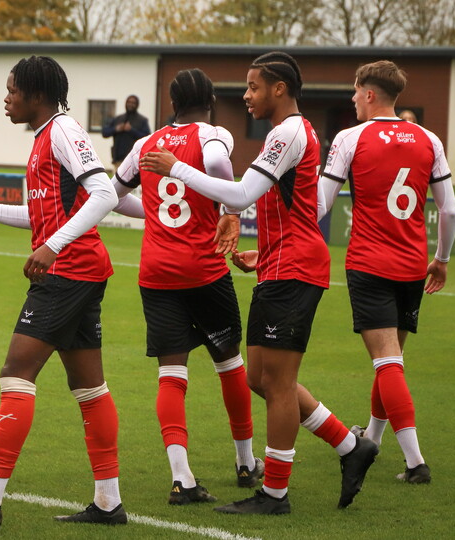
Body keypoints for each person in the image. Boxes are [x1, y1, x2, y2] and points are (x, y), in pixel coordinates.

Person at [141, 51, 379, 514]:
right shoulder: (284, 132)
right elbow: (279, 205)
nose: (246, 96)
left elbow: (242, 194)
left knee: (281, 383)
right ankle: (351, 446)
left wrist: (176, 168)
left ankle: (274, 494)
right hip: (278, 265)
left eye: (253, 87)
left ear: (279, 88)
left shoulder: (289, 131)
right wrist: (264, 251)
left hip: (296, 270)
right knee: (260, 378)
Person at [0, 55, 123, 532]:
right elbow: (41, 218)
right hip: (80, 269)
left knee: (16, 371)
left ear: (36, 94)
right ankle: (108, 502)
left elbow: (105, 194)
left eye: (12, 89)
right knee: (89, 386)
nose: (6, 97)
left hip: (71, 271)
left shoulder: (62, 131)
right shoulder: (44, 138)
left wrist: (53, 248)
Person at [111, 68, 262, 504]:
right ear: (211, 100)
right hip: (204, 270)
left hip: (157, 273)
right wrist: (227, 201)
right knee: (229, 364)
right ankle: (245, 462)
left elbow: (114, 194)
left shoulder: (146, 143)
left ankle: (183, 478)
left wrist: (154, 214)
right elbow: (217, 167)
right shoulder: (213, 135)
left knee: (171, 375)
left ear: (172, 102)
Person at [318, 60, 455, 485]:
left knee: (386, 362)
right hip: (412, 264)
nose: (352, 98)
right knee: (391, 361)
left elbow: (321, 205)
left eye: (355, 91)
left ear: (370, 94)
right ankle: (373, 437)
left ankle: (416, 463)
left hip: (369, 263)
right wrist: (443, 258)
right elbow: (450, 211)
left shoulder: (350, 137)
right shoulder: (429, 138)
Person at [102, 94, 150, 168]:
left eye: (133, 103)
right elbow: (105, 133)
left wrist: (131, 130)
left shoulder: (142, 120)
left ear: (137, 105)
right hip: (118, 160)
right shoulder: (118, 119)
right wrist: (116, 129)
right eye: (129, 102)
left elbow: (147, 138)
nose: (130, 104)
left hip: (134, 161)